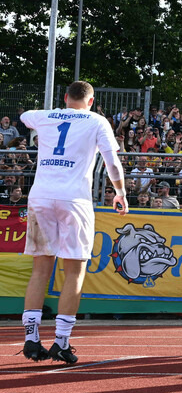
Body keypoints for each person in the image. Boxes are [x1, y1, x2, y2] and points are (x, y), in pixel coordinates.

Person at [19, 81, 129, 365]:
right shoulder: (96, 121)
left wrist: (53, 115)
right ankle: (61, 342)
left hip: (41, 196)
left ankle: (31, 339)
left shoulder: (45, 116)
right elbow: (112, 162)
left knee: (40, 270)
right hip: (74, 200)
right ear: (91, 101)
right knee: (74, 271)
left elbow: (24, 116)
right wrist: (120, 192)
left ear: (66, 97)